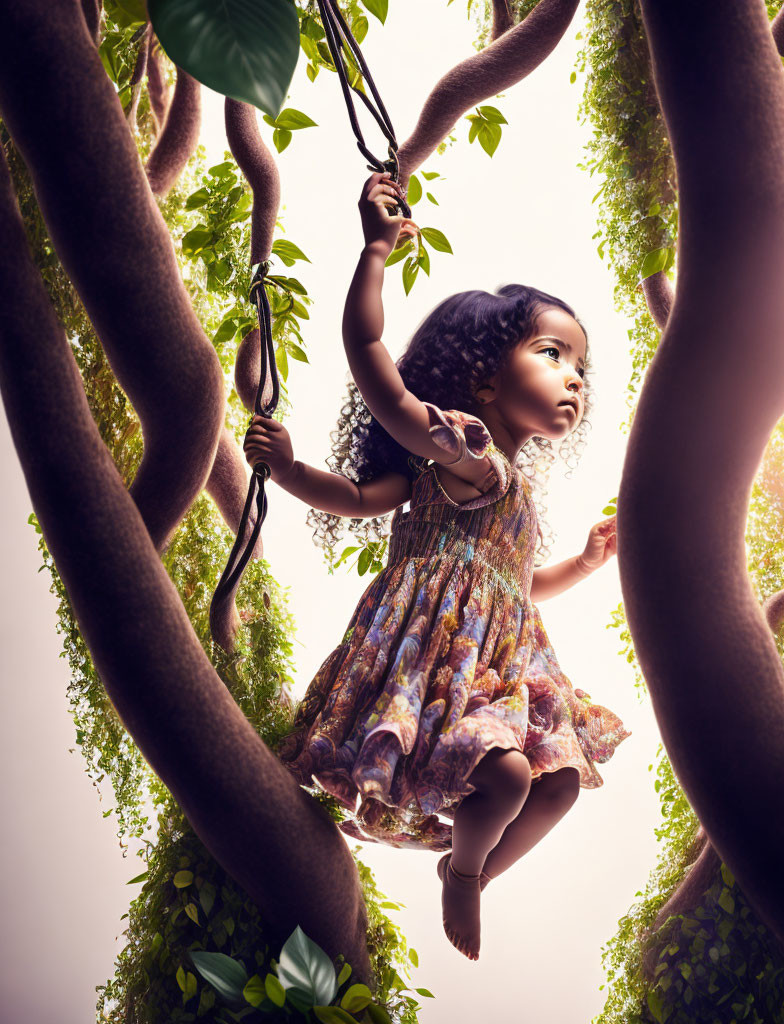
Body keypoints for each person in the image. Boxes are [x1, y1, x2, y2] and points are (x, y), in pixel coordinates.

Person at [243, 171, 630, 961]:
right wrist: (375, 252)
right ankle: (463, 864)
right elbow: (360, 451)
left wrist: (585, 564)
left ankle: (472, 872)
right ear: (486, 379)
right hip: (432, 662)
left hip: (494, 661)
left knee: (556, 783)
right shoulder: (465, 456)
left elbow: (515, 589)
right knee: (513, 780)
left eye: (580, 368)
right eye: (553, 353)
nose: (574, 377)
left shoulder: (509, 489)